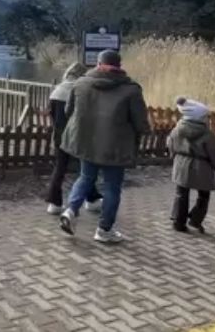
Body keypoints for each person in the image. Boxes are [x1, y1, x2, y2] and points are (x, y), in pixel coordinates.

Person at [59, 49, 151, 243]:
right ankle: (104, 230)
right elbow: (140, 122)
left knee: (85, 177)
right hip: (115, 146)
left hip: (87, 142)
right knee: (112, 187)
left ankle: (71, 210)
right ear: (119, 66)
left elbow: (68, 111)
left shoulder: (80, 83)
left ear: (98, 64)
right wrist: (144, 132)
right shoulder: (131, 89)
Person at [44, 62, 102, 216]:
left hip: (58, 135)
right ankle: (92, 200)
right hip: (77, 134)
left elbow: (51, 113)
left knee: (60, 168)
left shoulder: (57, 90)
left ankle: (54, 202)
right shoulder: (80, 90)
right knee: (85, 169)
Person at [169, 97, 215, 234]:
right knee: (204, 195)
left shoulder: (177, 129)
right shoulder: (208, 135)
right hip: (202, 167)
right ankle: (195, 219)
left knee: (181, 194)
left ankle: (178, 222)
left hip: (182, 164)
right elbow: (214, 154)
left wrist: (174, 157)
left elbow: (170, 145)